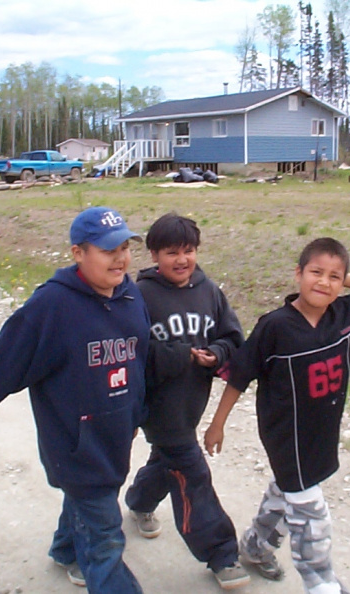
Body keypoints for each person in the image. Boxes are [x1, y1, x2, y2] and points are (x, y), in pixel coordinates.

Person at [0, 207, 150, 593]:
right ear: (78, 253)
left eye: (125, 247)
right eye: (109, 250)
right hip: (75, 444)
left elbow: (139, 360)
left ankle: (65, 549)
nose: (121, 258)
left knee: (90, 501)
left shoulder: (130, 295)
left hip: (116, 433)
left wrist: (139, 413)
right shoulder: (51, 307)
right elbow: (4, 365)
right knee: (106, 536)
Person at [204, 237, 350, 594]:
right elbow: (241, 375)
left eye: (334, 277)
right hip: (285, 434)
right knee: (311, 515)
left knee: (287, 489)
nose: (323, 283)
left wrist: (343, 279)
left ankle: (256, 547)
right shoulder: (275, 326)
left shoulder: (344, 313)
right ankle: (321, 583)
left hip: (321, 429)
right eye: (315, 273)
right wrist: (217, 424)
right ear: (298, 274)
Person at [124, 213, 250, 590]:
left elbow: (232, 336)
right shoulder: (138, 295)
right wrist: (179, 355)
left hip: (191, 403)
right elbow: (131, 352)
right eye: (171, 252)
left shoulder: (208, 290)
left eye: (189, 251)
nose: (182, 260)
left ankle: (140, 500)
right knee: (192, 473)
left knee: (168, 460)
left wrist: (216, 353)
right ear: (153, 255)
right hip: (157, 405)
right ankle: (221, 554)